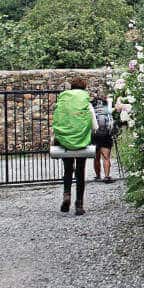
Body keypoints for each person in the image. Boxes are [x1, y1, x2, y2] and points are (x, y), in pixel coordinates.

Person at [52, 78, 98, 215]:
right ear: (84, 88)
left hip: (65, 141)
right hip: (81, 142)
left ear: (71, 88)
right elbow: (95, 126)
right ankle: (79, 204)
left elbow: (57, 121)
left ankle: (66, 195)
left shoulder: (63, 101)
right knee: (80, 172)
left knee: (67, 169)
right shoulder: (86, 103)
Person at [91, 96, 117, 183]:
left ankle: (98, 176)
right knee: (106, 157)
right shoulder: (107, 109)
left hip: (94, 135)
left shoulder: (92, 109)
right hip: (106, 135)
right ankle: (106, 176)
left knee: (96, 157)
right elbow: (111, 122)